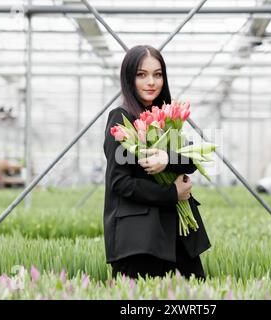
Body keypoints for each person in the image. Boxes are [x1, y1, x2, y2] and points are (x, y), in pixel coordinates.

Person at [103, 45, 211, 280]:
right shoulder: (122, 118)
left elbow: (190, 159)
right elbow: (119, 182)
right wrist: (172, 193)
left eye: (158, 74)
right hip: (140, 238)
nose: (151, 81)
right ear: (128, 78)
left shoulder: (166, 115)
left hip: (175, 233)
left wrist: (167, 159)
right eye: (142, 75)